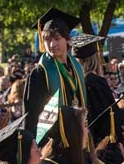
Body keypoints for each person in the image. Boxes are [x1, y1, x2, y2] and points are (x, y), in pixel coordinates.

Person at [24, 8, 88, 141]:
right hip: (54, 141)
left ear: (68, 39)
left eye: (57, 38)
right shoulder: (40, 73)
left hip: (78, 137)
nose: (52, 44)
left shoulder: (76, 68)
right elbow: (33, 116)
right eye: (47, 40)